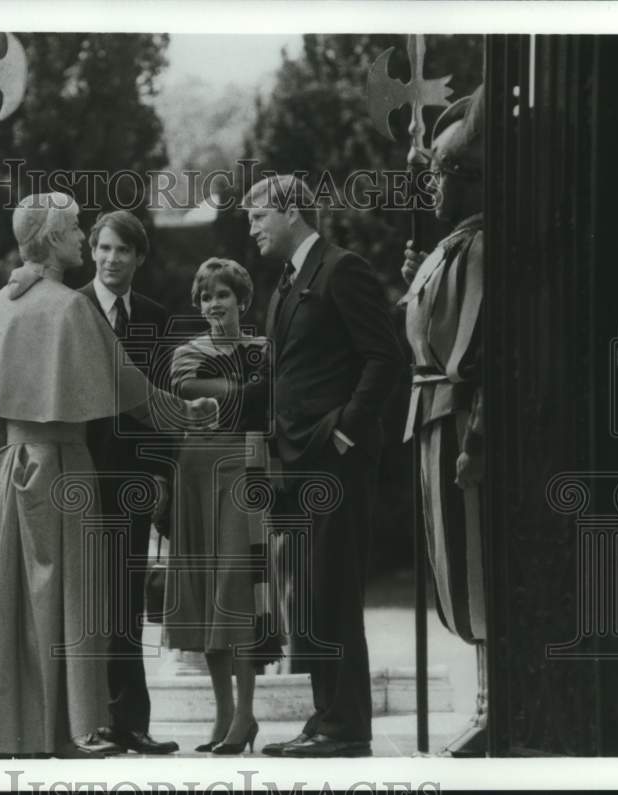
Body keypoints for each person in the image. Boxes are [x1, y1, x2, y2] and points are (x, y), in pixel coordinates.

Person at [0, 193, 216, 759]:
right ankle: (69, 731)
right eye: (77, 231)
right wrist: (190, 414)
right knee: (73, 601)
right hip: (65, 468)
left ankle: (11, 731)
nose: (83, 241)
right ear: (52, 239)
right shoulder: (72, 309)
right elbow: (134, 393)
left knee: (15, 604)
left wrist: (4, 461)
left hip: (11, 468)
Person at [243, 175, 405, 758]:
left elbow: (384, 357)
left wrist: (345, 431)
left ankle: (347, 726)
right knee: (311, 596)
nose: (253, 225)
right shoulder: (286, 285)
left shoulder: (343, 269)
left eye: (259, 214)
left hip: (335, 462)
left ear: (291, 211)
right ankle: (326, 717)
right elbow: (282, 376)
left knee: (333, 591)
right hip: (297, 464)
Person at [13, 210, 179, 754]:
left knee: (128, 599)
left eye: (121, 251)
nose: (109, 259)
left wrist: (158, 475)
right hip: (78, 475)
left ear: (138, 258)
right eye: (102, 248)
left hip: (130, 481)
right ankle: (90, 720)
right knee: (85, 599)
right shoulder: (72, 306)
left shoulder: (154, 317)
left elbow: (157, 402)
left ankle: (131, 720)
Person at [162, 258, 281, 755]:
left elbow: (270, 403)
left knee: (241, 587)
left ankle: (247, 715)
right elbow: (189, 391)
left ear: (242, 300)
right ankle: (223, 715)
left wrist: (242, 396)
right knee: (208, 590)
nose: (214, 305)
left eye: (223, 295)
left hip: (245, 471)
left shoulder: (264, 349)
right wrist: (248, 393)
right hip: (196, 475)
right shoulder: (187, 353)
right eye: (207, 297)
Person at [401, 86, 487, 757]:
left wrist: (475, 439)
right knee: (452, 564)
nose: (433, 188)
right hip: (432, 417)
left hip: (457, 420)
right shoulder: (453, 243)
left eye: (440, 176)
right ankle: (486, 698)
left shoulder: (479, 244)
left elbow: (473, 352)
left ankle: (493, 701)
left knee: (474, 565)